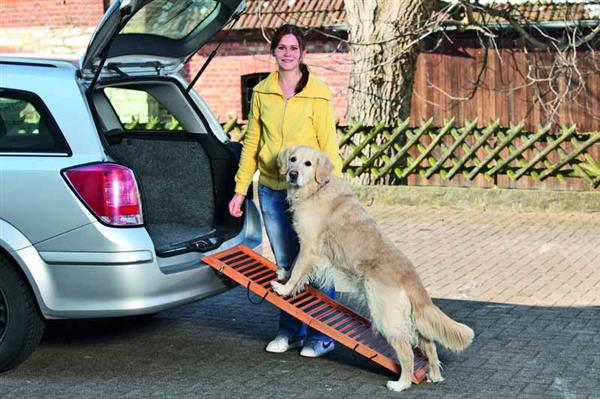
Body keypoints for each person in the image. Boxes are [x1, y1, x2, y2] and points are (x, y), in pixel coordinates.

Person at [228, 24, 343, 358]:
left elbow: (328, 145)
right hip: (272, 188)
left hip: (310, 195)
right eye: (282, 48)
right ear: (274, 52)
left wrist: (330, 191)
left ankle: (322, 334)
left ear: (302, 53)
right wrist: (240, 190)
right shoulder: (262, 92)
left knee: (316, 261)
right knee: (285, 264)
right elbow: (252, 143)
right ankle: (291, 330)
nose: (288, 54)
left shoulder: (318, 93)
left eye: (294, 48)